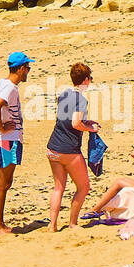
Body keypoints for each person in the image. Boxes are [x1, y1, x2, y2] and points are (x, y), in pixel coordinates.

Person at [46, 62, 99, 231]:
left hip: (53, 146)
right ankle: (73, 223)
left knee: (58, 187)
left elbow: (67, 119)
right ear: (85, 80)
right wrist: (90, 128)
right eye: (90, 78)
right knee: (83, 187)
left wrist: (86, 122)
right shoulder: (81, 100)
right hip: (69, 150)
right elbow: (75, 123)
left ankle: (52, 224)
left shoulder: (63, 94)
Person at [0, 52, 32, 236]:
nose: (28, 72)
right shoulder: (11, 88)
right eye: (28, 68)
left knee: (5, 182)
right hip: (7, 140)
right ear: (21, 69)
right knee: (4, 183)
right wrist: (1, 126)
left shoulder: (3, 83)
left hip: (6, 139)